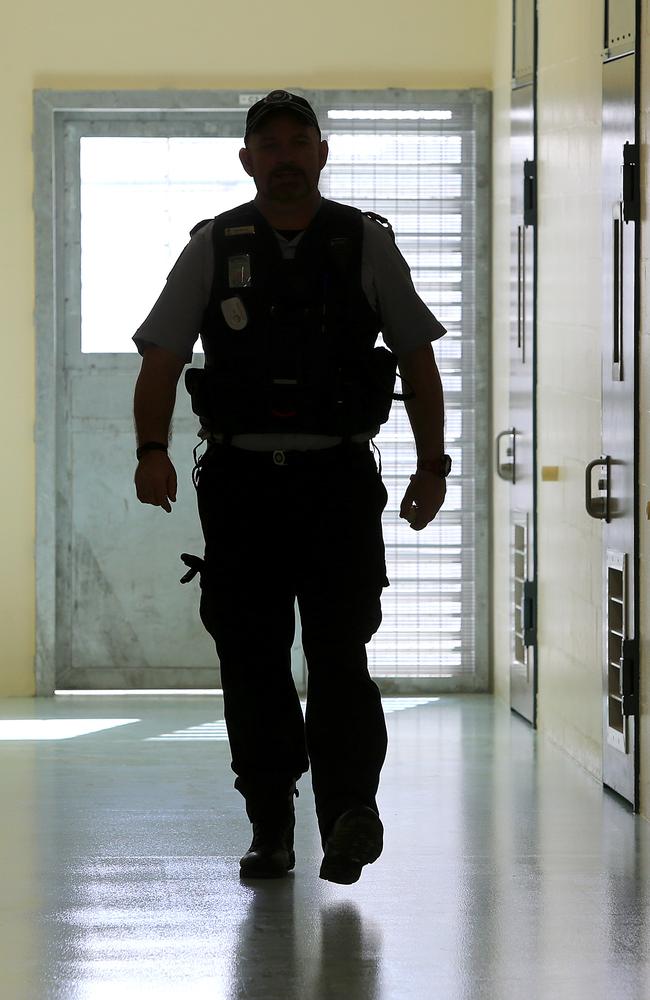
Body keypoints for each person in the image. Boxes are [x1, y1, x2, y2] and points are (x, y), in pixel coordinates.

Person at [133, 90, 450, 885]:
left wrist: (432, 464)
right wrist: (150, 450)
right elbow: (163, 357)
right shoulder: (215, 245)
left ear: (321, 153)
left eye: (297, 142)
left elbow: (416, 358)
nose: (284, 156)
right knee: (253, 659)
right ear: (248, 160)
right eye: (267, 145)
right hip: (241, 485)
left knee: (340, 653)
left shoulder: (363, 243)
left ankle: (349, 814)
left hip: (337, 482)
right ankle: (270, 824)